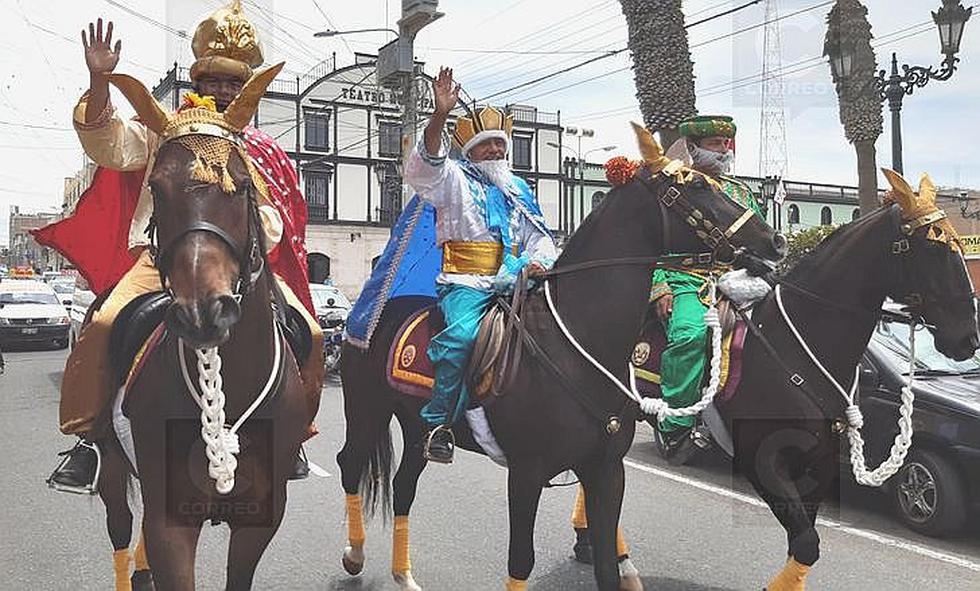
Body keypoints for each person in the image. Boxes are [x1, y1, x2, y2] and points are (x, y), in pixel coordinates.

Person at [46, 1, 323, 493]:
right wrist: (99, 82)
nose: (224, 90)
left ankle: (294, 434)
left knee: (312, 333)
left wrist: (246, 247)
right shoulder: (166, 131)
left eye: (233, 82)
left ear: (246, 89)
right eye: (214, 79)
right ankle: (90, 439)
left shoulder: (260, 150)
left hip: (239, 265)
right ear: (198, 81)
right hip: (161, 260)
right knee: (105, 323)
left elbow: (275, 218)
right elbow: (110, 144)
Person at [403, 67, 558, 463]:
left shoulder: (519, 188)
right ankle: (437, 424)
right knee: (460, 339)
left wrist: (536, 261)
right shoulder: (452, 178)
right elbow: (425, 167)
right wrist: (439, 116)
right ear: (469, 150)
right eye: (485, 144)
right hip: (466, 282)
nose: (494, 151)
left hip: (520, 280)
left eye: (499, 144)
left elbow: (540, 236)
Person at [651, 115, 768, 455]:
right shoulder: (674, 187)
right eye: (714, 143)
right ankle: (675, 424)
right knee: (691, 335)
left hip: (736, 279)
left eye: (725, 143)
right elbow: (650, 243)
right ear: (694, 147)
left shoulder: (740, 193)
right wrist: (660, 288)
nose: (723, 150)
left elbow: (760, 237)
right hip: (685, 278)